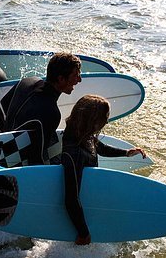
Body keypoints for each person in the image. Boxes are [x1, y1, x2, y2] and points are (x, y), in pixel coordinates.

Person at [61, 95, 146, 245]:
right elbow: (71, 199)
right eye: (104, 117)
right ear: (92, 119)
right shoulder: (73, 152)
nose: (107, 121)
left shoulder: (83, 135)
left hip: (86, 205)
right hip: (80, 216)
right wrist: (83, 233)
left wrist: (126, 152)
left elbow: (99, 148)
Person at [1, 52, 82, 165]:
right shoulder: (51, 112)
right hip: (15, 161)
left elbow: (4, 102)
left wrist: (11, 130)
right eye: (75, 75)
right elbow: (36, 155)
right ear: (61, 79)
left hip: (4, 141)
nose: (79, 80)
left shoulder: (27, 81)